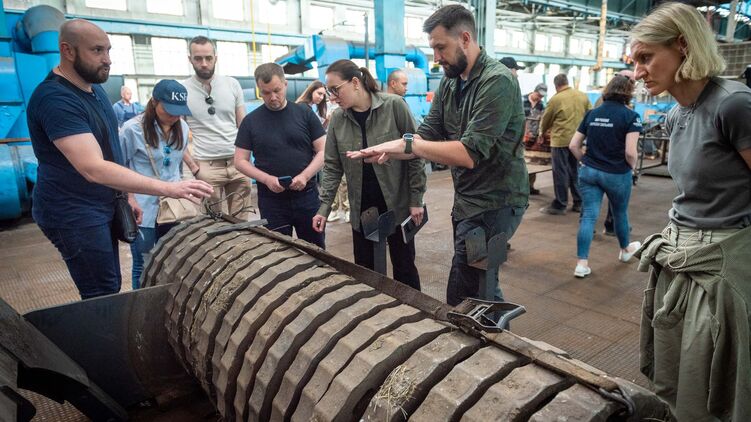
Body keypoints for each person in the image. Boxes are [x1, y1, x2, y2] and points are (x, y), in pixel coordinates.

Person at [349, 5, 528, 305]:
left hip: (497, 201)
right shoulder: (450, 81)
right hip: (468, 199)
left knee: (468, 290)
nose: (436, 57)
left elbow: (468, 153)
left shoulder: (497, 81)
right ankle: (491, 331)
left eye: (441, 47)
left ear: (465, 38)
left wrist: (407, 146)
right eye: (432, 48)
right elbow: (429, 132)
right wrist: (393, 148)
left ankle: (488, 332)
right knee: (476, 284)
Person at [26, 19, 212, 300]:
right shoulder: (56, 99)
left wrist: (125, 196)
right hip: (74, 211)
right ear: (68, 50)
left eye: (108, 50)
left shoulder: (94, 91)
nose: (107, 59)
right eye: (97, 50)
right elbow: (93, 167)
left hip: (102, 204)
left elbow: (111, 151)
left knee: (111, 281)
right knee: (102, 291)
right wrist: (169, 188)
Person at [631, 3, 751, 420]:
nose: (638, 72)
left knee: (709, 382)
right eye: (634, 61)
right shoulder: (675, 115)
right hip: (678, 253)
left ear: (683, 45)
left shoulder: (734, 105)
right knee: (672, 374)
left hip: (721, 260)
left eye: (646, 58)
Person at [313, 59, 426, 290]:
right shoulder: (338, 119)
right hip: (363, 208)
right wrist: (324, 208)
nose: (332, 97)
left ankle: (413, 311)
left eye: (335, 90)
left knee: (405, 268)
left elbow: (416, 153)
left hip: (398, 204)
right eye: (328, 91)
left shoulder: (394, 106)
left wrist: (416, 199)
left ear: (355, 82)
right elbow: (332, 166)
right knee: (366, 273)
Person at [235, 63, 326, 248]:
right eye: (266, 92)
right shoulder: (250, 122)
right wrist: (266, 179)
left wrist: (305, 176)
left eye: (277, 90)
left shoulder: (305, 114)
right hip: (272, 202)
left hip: (306, 197)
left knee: (315, 250)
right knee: (277, 251)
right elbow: (240, 161)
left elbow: (324, 151)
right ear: (259, 89)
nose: (273, 97)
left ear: (285, 84)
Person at [120, 80, 197, 288]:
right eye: (169, 110)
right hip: (142, 209)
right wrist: (129, 198)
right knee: (143, 263)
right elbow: (119, 167)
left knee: (173, 259)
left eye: (179, 111)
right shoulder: (132, 130)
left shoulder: (182, 127)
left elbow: (177, 164)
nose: (174, 116)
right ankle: (141, 303)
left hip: (172, 208)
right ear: (154, 102)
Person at [568, 75, 642, 278]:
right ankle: (625, 251)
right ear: (628, 93)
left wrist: (584, 161)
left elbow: (573, 145)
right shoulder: (631, 117)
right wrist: (632, 168)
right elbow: (630, 152)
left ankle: (581, 264)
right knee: (620, 213)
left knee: (588, 216)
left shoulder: (592, 114)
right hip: (617, 174)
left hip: (589, 172)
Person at [181, 36, 251, 220]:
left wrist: (246, 159)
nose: (204, 63)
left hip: (238, 164)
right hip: (206, 167)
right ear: (190, 59)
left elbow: (243, 125)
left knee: (243, 223)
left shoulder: (232, 84)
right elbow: (175, 135)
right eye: (198, 58)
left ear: (216, 58)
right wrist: (194, 168)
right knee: (212, 224)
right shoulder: (183, 90)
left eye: (208, 58)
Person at [296, 80, 349, 223]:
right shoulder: (303, 108)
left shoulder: (312, 109)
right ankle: (332, 209)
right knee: (328, 179)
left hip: (323, 150)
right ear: (311, 91)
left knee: (337, 180)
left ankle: (341, 209)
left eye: (323, 95)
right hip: (312, 153)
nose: (321, 97)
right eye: (319, 93)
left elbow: (317, 130)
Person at [539, 74, 591, 215]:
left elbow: (546, 119)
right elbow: (590, 114)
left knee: (560, 172)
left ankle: (560, 204)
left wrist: (541, 133)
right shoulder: (582, 96)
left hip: (560, 141)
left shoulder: (556, 99)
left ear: (556, 85)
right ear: (567, 82)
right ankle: (578, 202)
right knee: (575, 171)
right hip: (577, 141)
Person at [522, 83, 548, 195]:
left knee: (533, 163)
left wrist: (540, 135)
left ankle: (530, 186)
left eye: (542, 96)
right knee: (521, 162)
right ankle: (520, 187)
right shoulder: (521, 100)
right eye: (538, 95)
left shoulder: (541, 105)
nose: (539, 98)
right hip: (521, 137)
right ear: (534, 91)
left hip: (534, 137)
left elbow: (542, 120)